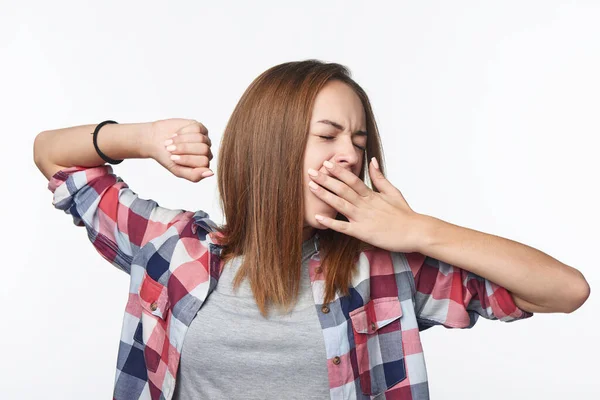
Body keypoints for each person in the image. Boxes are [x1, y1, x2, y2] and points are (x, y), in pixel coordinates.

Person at [34, 60, 590, 400]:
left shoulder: (383, 269)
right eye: (327, 136)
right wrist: (145, 136)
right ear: (272, 146)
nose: (348, 154)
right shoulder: (170, 247)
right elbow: (53, 157)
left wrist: (418, 230)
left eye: (360, 140)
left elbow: (565, 290)